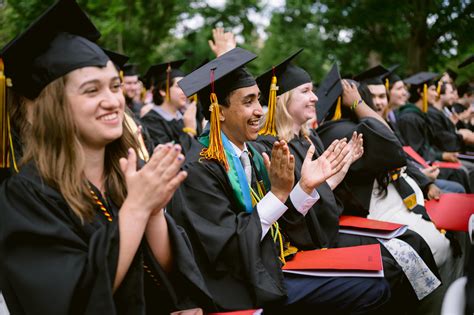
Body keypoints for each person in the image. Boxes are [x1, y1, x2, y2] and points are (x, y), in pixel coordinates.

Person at [0, 0, 209, 313]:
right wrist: (138, 207)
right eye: (91, 90)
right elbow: (67, 300)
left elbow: (169, 273)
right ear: (52, 108)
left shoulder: (126, 173)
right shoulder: (27, 195)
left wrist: (153, 211)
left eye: (114, 87)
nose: (112, 101)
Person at [167, 47, 390, 313]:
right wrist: (278, 195)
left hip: (270, 265)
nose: (260, 110)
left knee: (381, 273)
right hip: (240, 284)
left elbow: (281, 223)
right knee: (371, 288)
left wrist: (306, 186)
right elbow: (229, 248)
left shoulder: (251, 154)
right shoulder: (199, 169)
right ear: (220, 111)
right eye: (248, 102)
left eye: (259, 100)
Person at [254, 52, 441, 312]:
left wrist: (339, 171)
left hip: (327, 226)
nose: (315, 97)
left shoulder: (310, 139)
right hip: (306, 240)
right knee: (393, 264)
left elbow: (324, 192)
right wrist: (316, 184)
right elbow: (291, 213)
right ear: (284, 100)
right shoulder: (271, 146)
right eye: (306, 91)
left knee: (412, 242)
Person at [397, 72, 472, 192]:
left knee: (464, 169)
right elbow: (416, 152)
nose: (436, 93)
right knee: (461, 171)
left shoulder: (420, 115)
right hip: (422, 166)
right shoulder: (410, 118)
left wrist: (442, 155)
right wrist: (441, 156)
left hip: (430, 160)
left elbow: (428, 146)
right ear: (421, 92)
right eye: (432, 89)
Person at [140, 60, 202, 153]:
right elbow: (170, 158)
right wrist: (189, 130)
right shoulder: (150, 122)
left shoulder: (185, 117)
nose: (184, 91)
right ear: (163, 91)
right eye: (178, 87)